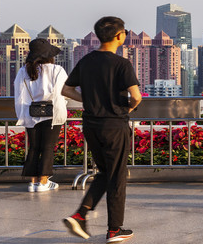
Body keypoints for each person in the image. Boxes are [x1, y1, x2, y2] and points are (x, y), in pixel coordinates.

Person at [61, 16, 142, 243]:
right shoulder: (121, 64)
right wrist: (127, 106)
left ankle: (80, 215)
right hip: (114, 125)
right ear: (119, 36)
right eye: (124, 32)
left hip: (91, 125)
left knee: (106, 172)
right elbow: (136, 96)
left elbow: (66, 90)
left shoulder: (86, 61)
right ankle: (114, 229)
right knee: (116, 177)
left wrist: (88, 100)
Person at [13, 39, 68, 192]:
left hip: (31, 113)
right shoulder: (57, 70)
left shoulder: (24, 70)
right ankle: (43, 182)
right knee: (48, 147)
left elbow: (18, 94)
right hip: (52, 113)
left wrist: (22, 115)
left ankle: (33, 182)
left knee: (34, 147)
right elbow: (62, 92)